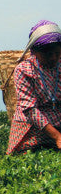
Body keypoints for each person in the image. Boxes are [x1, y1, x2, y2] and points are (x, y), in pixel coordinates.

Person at [7, 20, 61, 154]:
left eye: (57, 53)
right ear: (34, 51)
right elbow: (30, 109)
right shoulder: (24, 70)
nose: (53, 58)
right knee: (29, 152)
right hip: (33, 125)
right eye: (48, 54)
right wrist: (57, 136)